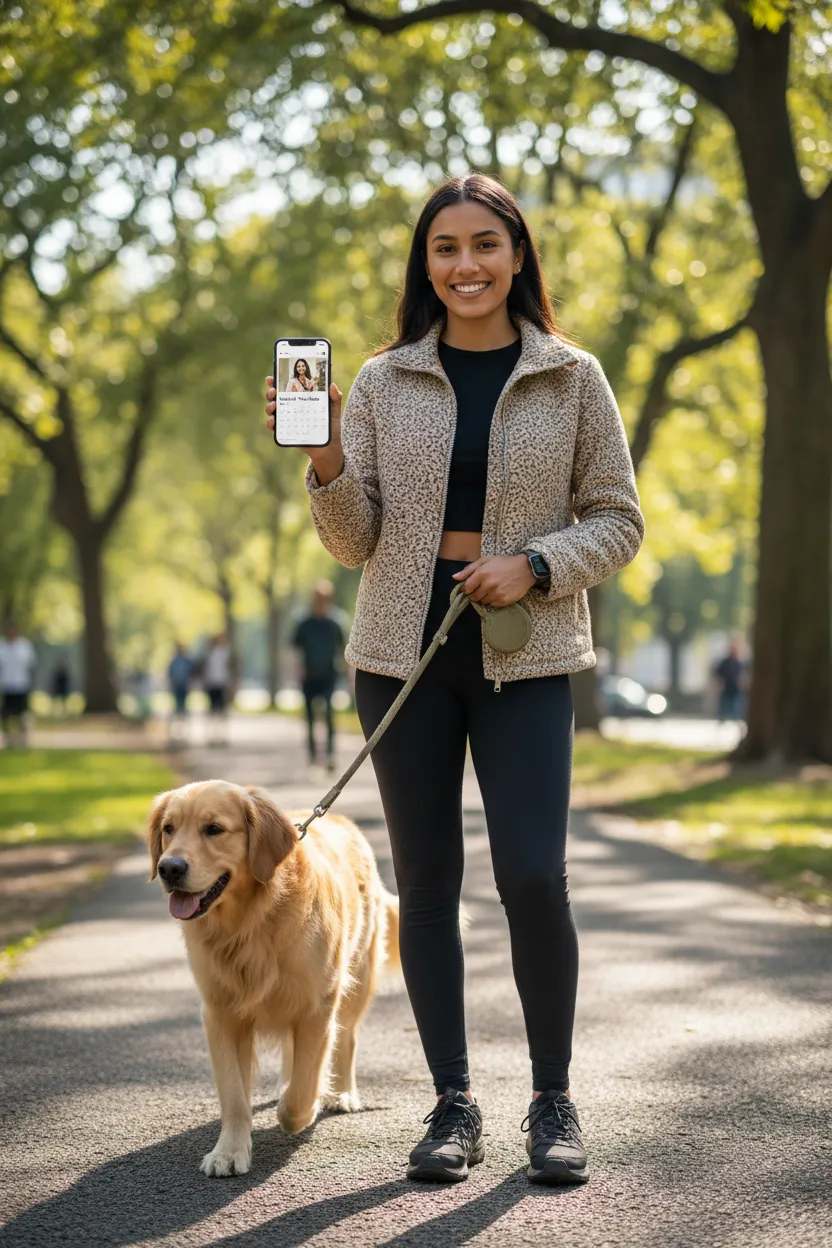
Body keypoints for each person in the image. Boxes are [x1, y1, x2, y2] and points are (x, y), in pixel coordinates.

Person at [265, 174, 644, 1185]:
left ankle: (552, 1100)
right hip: (403, 660)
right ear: (424, 264)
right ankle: (452, 1104)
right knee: (427, 888)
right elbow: (354, 542)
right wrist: (323, 456)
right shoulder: (383, 382)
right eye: (445, 248)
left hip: (529, 655)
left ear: (517, 255)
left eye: (484, 244)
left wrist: (538, 564)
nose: (466, 265)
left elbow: (619, 519)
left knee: (533, 875)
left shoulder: (572, 376)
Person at [291, 580, 346, 770]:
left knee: (329, 714)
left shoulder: (335, 623)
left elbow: (343, 649)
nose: (320, 603)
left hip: (329, 675)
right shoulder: (304, 623)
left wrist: (349, 673)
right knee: (310, 718)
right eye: (317, 599)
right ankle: (313, 757)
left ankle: (330, 755)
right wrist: (299, 669)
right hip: (309, 677)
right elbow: (295, 648)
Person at [0, 620, 36, 748]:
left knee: (23, 715)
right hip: (6, 685)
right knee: (6, 715)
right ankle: (8, 739)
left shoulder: (24, 646)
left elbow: (31, 665)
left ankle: (23, 739)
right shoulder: (1, 647)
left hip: (22, 685)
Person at [202, 633, 232, 746]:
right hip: (212, 685)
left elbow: (230, 667)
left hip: (222, 684)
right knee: (212, 711)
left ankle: (222, 736)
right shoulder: (208, 655)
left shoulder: (225, 654)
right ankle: (212, 736)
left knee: (222, 711)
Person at [714, 638, 746, 722]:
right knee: (724, 703)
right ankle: (722, 718)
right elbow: (718, 673)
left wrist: (742, 683)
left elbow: (742, 674)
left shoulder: (739, 662)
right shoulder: (725, 662)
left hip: (736, 686)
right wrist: (721, 682)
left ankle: (736, 718)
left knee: (737, 704)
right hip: (727, 686)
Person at [168, 642, 193, 746]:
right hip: (177, 686)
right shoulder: (174, 661)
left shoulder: (186, 661)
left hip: (184, 686)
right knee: (177, 707)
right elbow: (170, 673)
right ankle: (178, 730)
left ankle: (183, 730)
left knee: (183, 707)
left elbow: (191, 672)